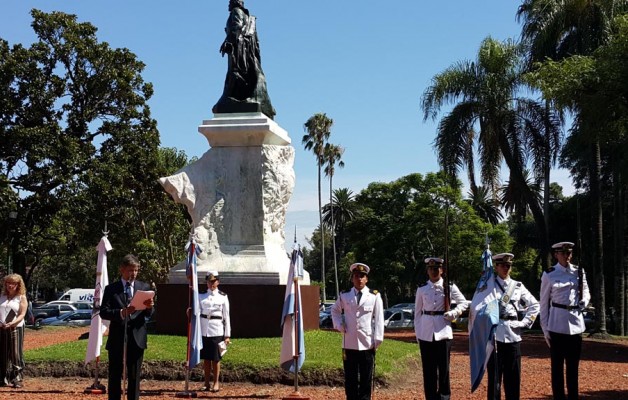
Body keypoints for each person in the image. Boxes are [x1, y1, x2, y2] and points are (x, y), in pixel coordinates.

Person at [540, 242, 591, 400]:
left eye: (569, 252)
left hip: (575, 324)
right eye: (563, 253)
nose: (567, 256)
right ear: (556, 254)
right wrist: (545, 329)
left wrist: (584, 301)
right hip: (557, 325)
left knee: (573, 368)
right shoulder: (549, 274)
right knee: (557, 369)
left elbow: (586, 291)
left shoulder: (578, 271)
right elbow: (543, 304)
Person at [100, 255, 154, 400]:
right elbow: (103, 312)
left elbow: (149, 314)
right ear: (122, 270)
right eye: (130, 270)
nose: (134, 273)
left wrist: (149, 308)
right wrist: (121, 313)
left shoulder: (144, 287)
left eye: (136, 270)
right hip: (118, 335)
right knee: (115, 373)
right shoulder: (111, 289)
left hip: (137, 336)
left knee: (134, 375)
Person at [414, 257, 468, 400]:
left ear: (442, 270)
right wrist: (418, 334)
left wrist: (454, 313)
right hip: (426, 333)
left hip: (444, 331)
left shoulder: (449, 287)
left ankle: (445, 396)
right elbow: (417, 314)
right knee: (428, 370)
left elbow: (463, 303)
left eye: (437, 268)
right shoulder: (421, 288)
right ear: (427, 271)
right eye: (431, 269)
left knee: (444, 369)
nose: (434, 271)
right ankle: (430, 397)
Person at [487, 253, 539, 400]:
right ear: (496, 267)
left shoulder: (517, 286)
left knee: (513, 380)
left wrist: (524, 323)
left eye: (508, 265)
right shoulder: (488, 285)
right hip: (495, 336)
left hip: (513, 335)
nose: (505, 268)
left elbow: (535, 305)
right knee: (494, 381)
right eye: (502, 265)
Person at [212, 0, 275, 119]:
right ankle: (234, 97)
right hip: (244, 49)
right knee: (240, 74)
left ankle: (232, 98)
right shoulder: (246, 15)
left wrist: (228, 41)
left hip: (238, 48)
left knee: (235, 73)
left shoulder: (236, 11)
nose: (228, 4)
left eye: (230, 1)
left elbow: (237, 26)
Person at [331, 263, 384, 400]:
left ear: (366, 279)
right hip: (349, 343)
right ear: (352, 278)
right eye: (356, 276)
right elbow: (334, 310)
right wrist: (338, 325)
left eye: (362, 276)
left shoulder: (374, 296)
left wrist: (377, 339)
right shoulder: (345, 295)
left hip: (367, 343)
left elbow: (379, 319)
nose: (359, 279)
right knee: (350, 379)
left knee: (366, 378)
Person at [198, 271, 231, 392]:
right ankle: (206, 383)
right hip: (204, 329)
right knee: (206, 359)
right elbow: (197, 313)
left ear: (218, 282)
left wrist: (227, 335)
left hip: (216, 329)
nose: (211, 284)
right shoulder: (201, 295)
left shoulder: (223, 296)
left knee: (216, 358)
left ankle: (216, 383)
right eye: (209, 281)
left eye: (213, 281)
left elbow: (226, 316)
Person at [0, 273, 28, 388]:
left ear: (18, 285)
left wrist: (13, 323)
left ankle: (17, 378)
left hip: (16, 328)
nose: (10, 286)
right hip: (2, 328)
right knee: (2, 353)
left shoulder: (21, 297)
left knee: (15, 353)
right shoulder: (1, 296)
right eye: (8, 283)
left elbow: (22, 314)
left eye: (13, 283)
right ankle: (3, 378)